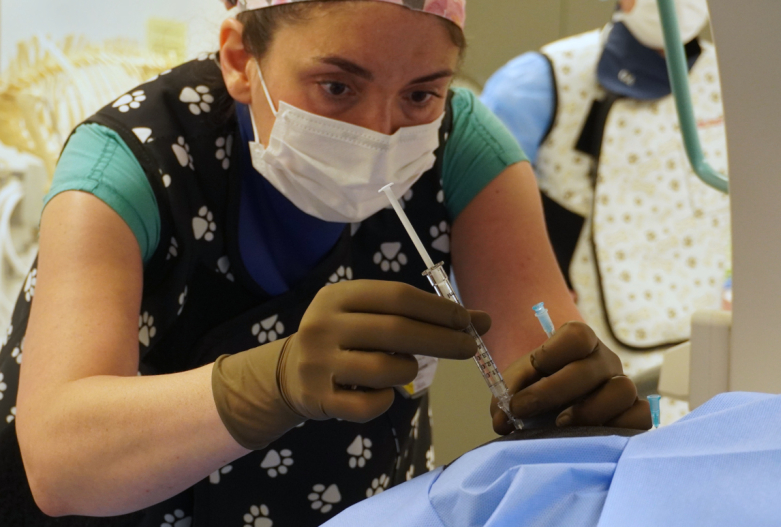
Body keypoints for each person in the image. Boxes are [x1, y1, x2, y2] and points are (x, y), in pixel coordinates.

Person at [0, 1, 650, 525]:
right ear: (238, 58)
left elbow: (541, 375)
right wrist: (269, 381)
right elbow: (61, 464)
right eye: (337, 86)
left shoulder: (463, 151)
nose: (380, 133)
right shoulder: (130, 163)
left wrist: (577, 405)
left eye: (420, 96)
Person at [480, 0, 731, 384]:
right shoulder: (538, 83)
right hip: (586, 348)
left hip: (713, 343)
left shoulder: (736, 82)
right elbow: (480, 226)